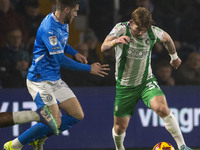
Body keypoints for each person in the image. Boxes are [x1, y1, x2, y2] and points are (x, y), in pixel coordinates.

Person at [3, 0, 109, 150]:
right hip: (39, 80)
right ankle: (13, 145)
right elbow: (59, 59)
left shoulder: (63, 22)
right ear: (67, 9)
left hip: (54, 79)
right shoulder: (49, 28)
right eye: (75, 11)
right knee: (55, 122)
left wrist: (75, 53)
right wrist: (88, 68)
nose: (76, 14)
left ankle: (39, 137)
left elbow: (61, 43)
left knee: (77, 114)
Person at [101, 7, 192, 150]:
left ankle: (182, 146)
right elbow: (103, 47)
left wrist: (174, 57)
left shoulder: (152, 32)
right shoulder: (120, 29)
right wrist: (115, 42)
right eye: (138, 29)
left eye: (144, 29)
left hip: (146, 82)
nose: (141, 33)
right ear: (131, 22)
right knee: (119, 128)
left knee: (162, 108)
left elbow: (167, 39)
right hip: (125, 87)